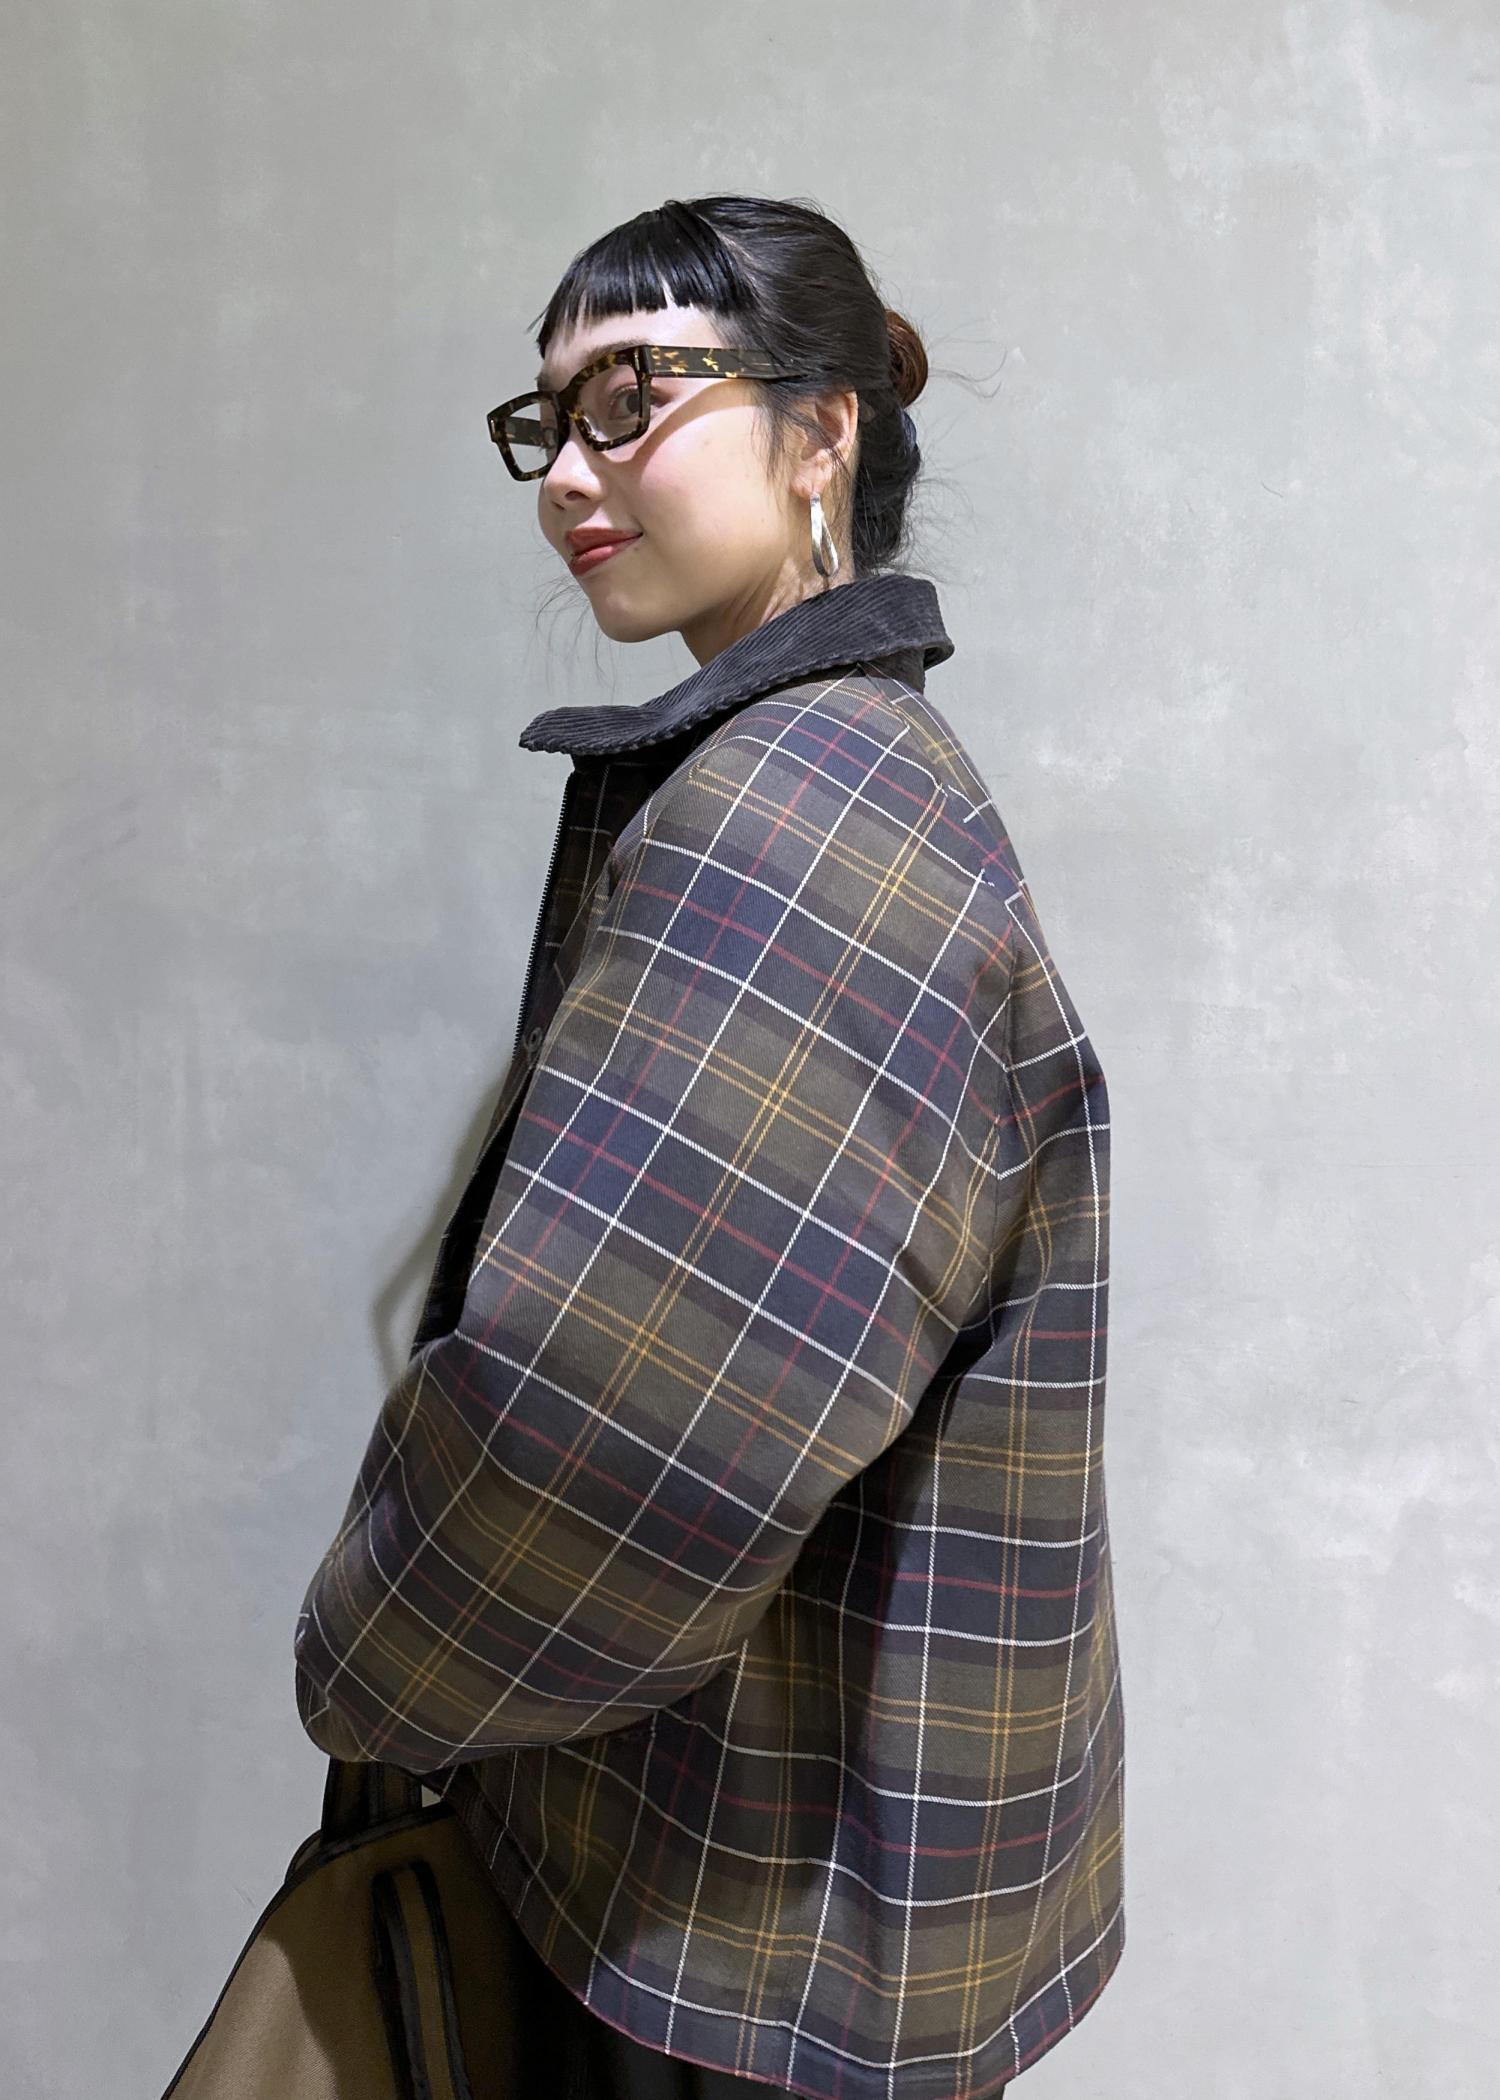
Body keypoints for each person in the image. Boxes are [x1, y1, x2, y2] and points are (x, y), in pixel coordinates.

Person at [293, 192, 1125, 2099]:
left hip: (746, 1941)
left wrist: (367, 1663)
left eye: (631, 399)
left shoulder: (796, 817)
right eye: (547, 421)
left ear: (820, 429)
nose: (568, 475)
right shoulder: (829, 765)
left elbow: (618, 1437)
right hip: (795, 1901)